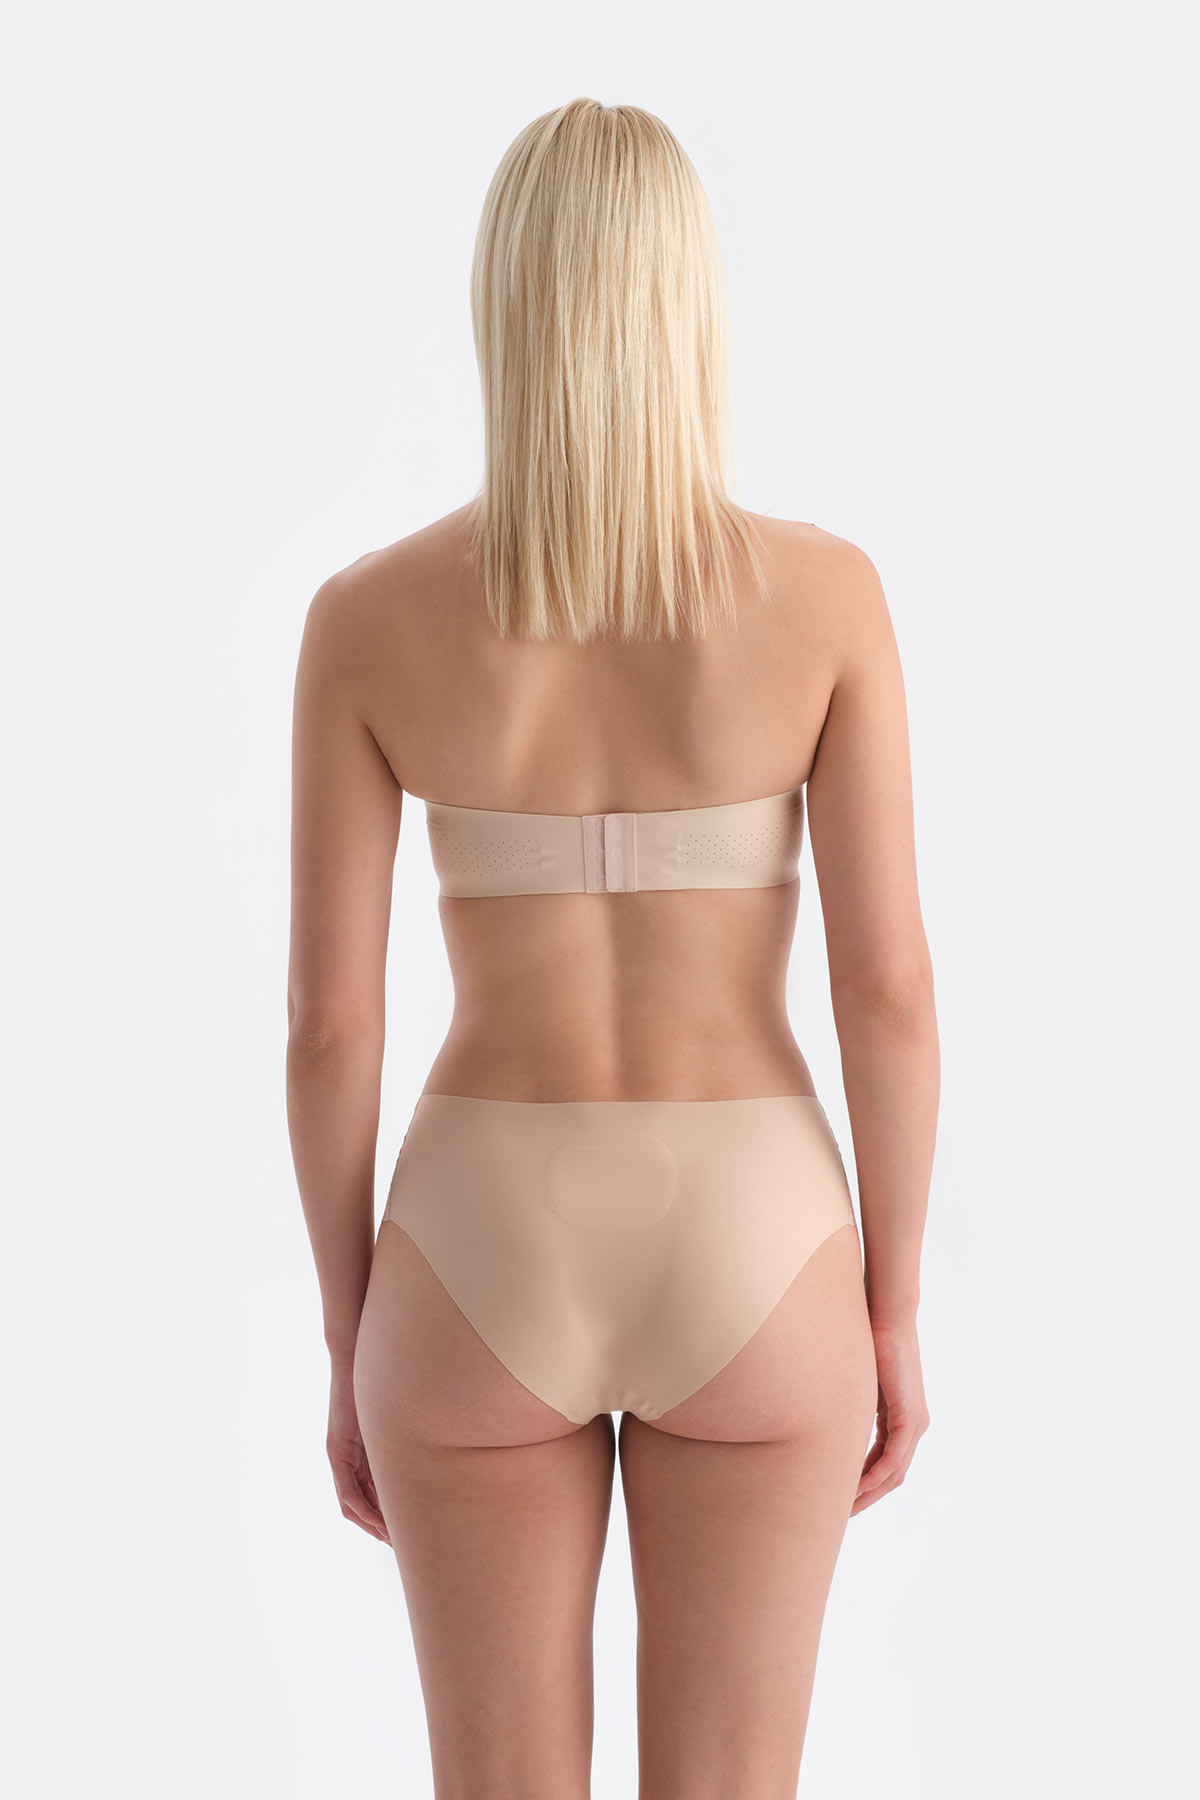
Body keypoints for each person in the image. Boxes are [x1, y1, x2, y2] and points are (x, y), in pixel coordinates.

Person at [286, 96, 938, 1799]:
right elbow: (885, 989)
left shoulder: (367, 619)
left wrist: (352, 1332)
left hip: (475, 1240)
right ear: (688, 304)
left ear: (505, 307)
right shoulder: (825, 601)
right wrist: (892, 1311)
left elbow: (331, 1029)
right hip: (757, 1232)